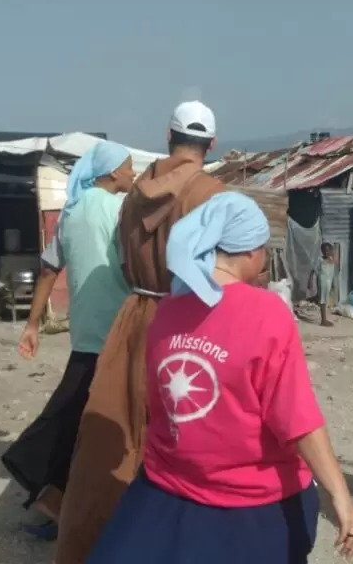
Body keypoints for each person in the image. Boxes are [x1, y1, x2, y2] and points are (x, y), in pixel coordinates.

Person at [88, 192, 353, 564]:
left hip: (166, 492)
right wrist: (341, 497)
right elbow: (296, 420)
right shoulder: (267, 313)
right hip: (253, 503)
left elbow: (160, 404)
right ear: (251, 253)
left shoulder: (166, 312)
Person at [55, 101, 227, 564]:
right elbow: (228, 272)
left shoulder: (134, 191)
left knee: (116, 439)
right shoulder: (212, 193)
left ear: (168, 137)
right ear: (211, 145)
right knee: (188, 440)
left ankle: (97, 541)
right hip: (190, 322)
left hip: (134, 316)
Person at [1, 141, 135, 539]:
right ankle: (44, 480)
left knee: (79, 412)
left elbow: (47, 270)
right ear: (112, 172)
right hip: (116, 331)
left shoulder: (72, 211)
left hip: (87, 331)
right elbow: (134, 267)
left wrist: (32, 324)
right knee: (80, 415)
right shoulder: (121, 212)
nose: (132, 174)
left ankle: (59, 495)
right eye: (129, 167)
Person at [312, 242, 338, 326]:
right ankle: (323, 320)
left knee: (325, 300)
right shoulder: (320, 260)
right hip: (322, 282)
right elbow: (314, 270)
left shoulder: (331, 260)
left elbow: (334, 271)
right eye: (324, 251)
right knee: (323, 300)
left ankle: (324, 319)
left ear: (331, 251)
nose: (326, 253)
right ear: (322, 251)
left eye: (328, 251)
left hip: (328, 282)